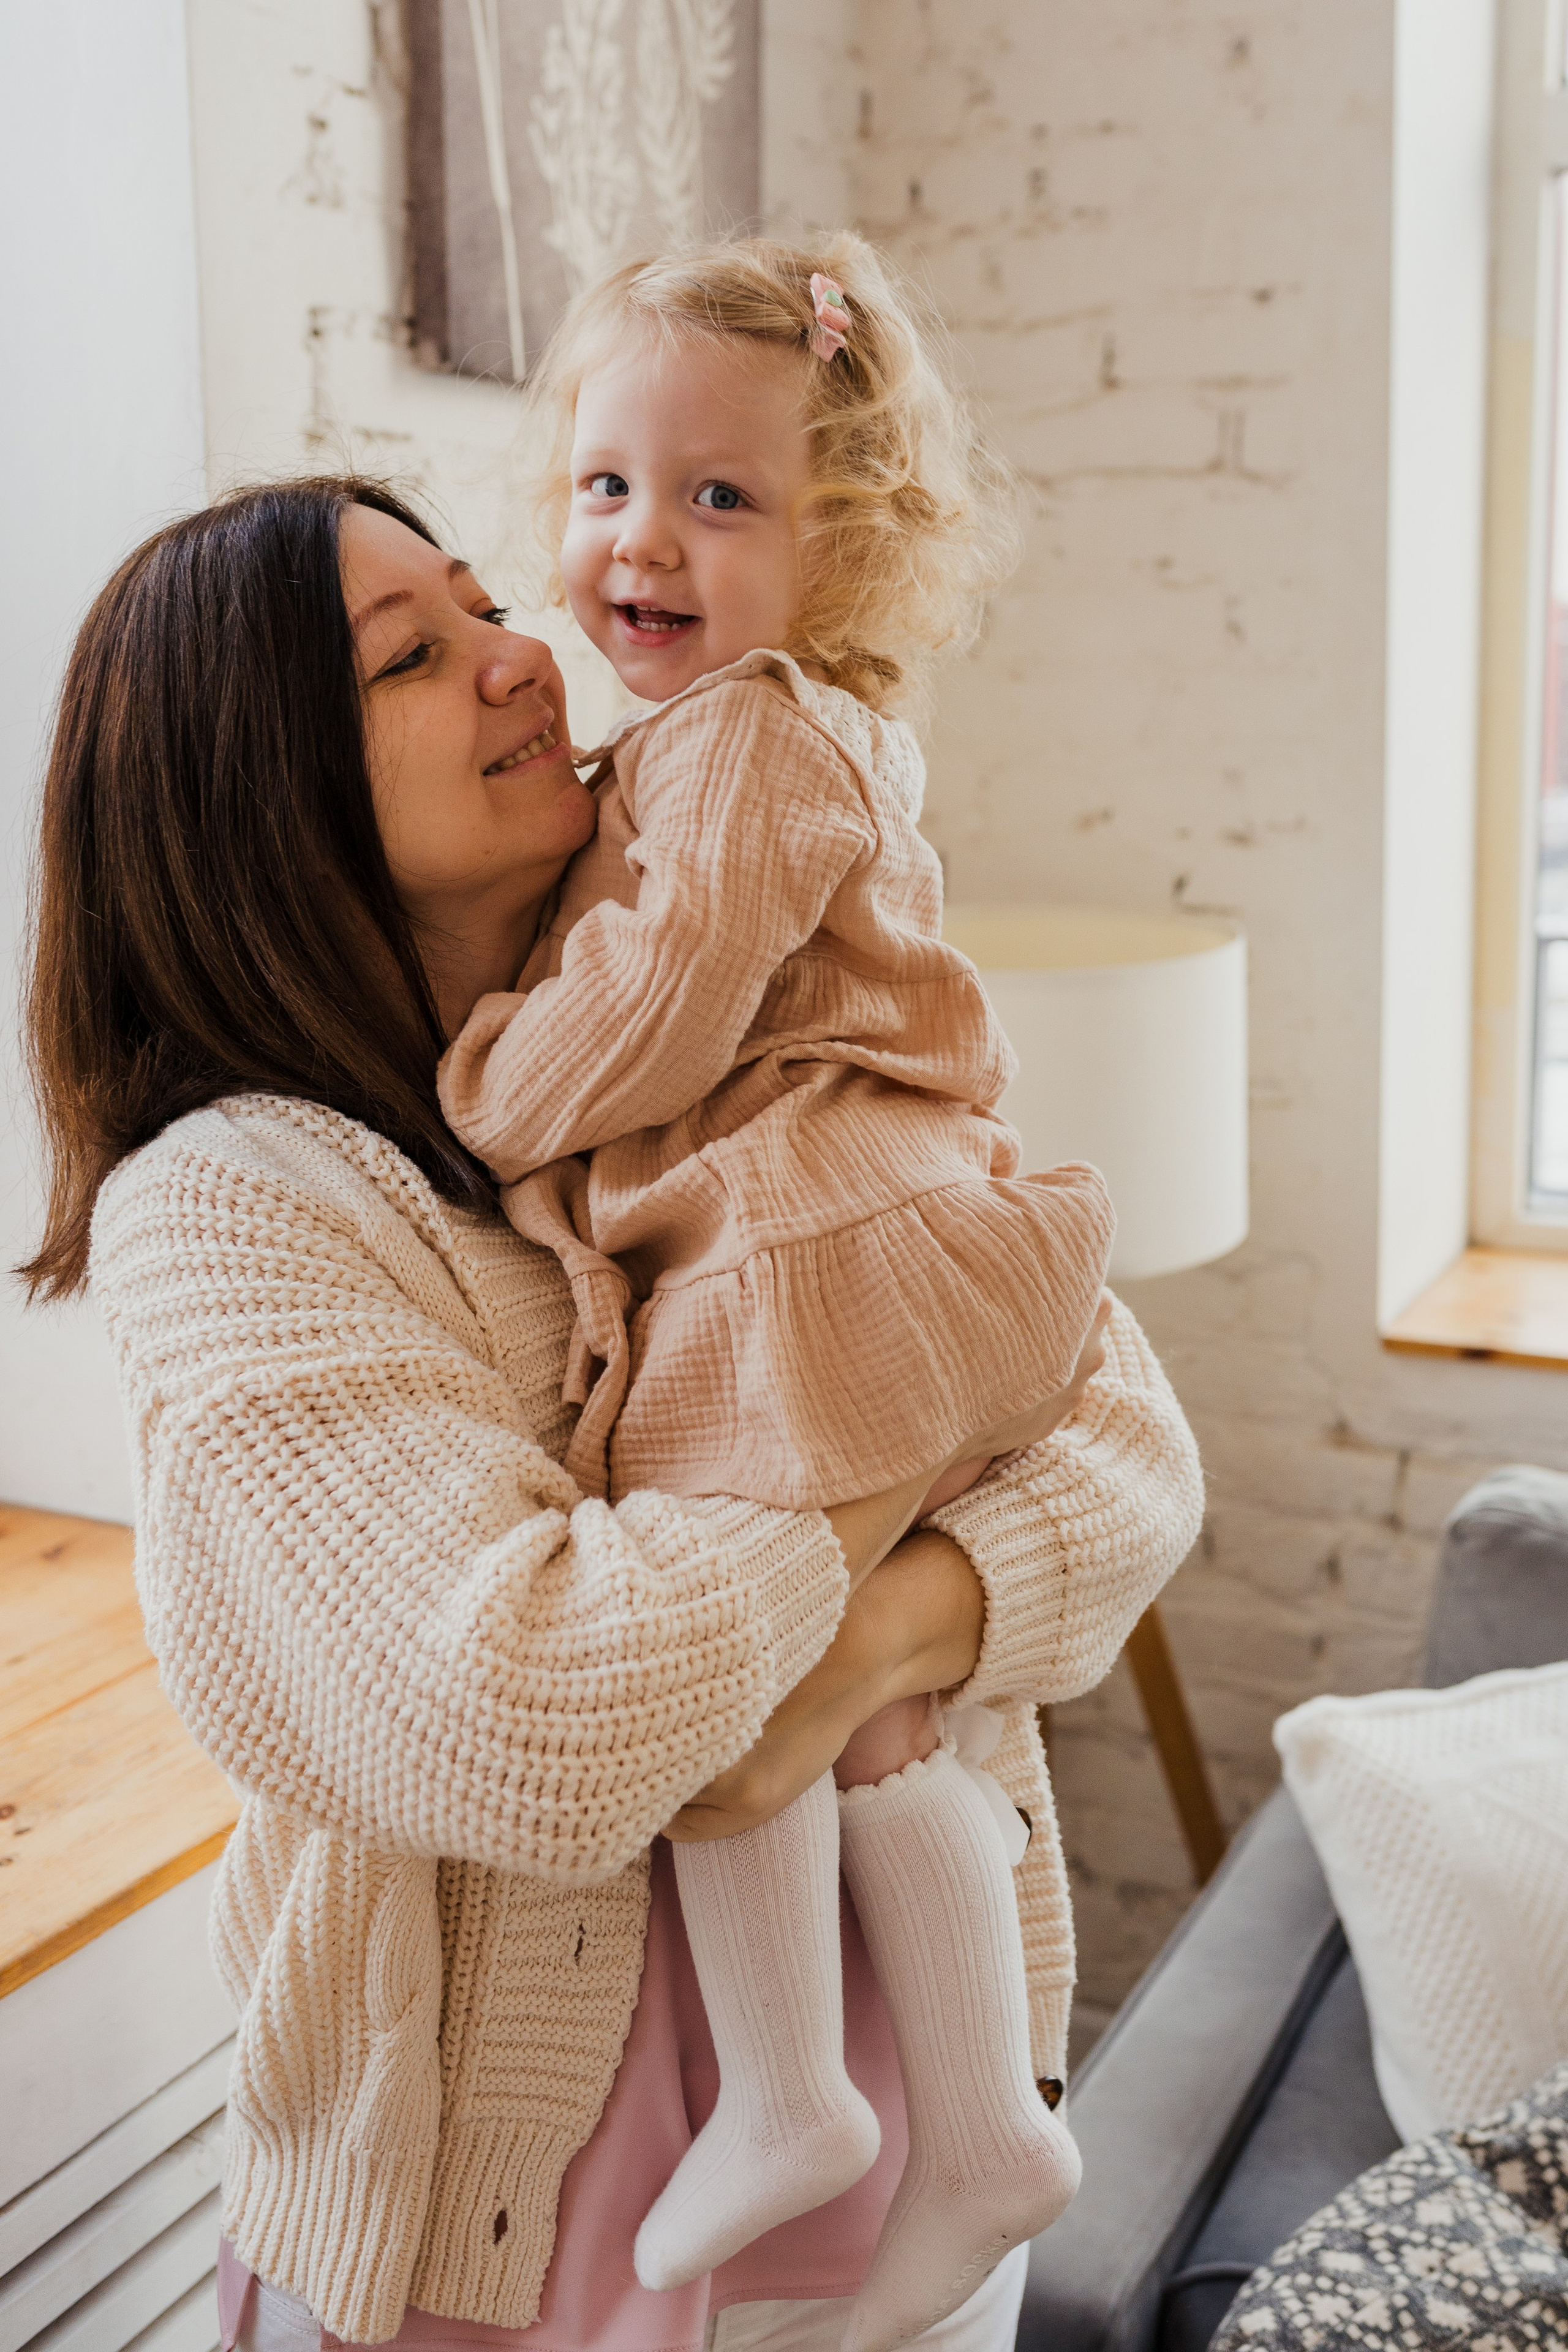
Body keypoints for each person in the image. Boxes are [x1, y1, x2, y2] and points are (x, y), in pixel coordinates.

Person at [22, 475, 1203, 2352]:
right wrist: (911, 1448)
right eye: (412, 654)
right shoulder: (242, 1205)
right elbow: (545, 1710)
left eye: (487, 606)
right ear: (255, 804)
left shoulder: (718, 1032)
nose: (521, 659)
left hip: (919, 2164)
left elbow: (1128, 1437)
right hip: (519, 2228)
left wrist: (863, 1644)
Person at [435, 237, 1113, 2347]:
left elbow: (648, 1021)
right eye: (612, 484)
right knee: (873, 1698)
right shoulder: (744, 736)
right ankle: (975, 2119)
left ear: (845, 551)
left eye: (722, 499)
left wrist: (481, 1082)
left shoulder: (744, 744)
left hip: (817, 1243)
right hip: (854, 1225)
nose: (647, 538)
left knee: (725, 1652)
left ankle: (814, 2091)